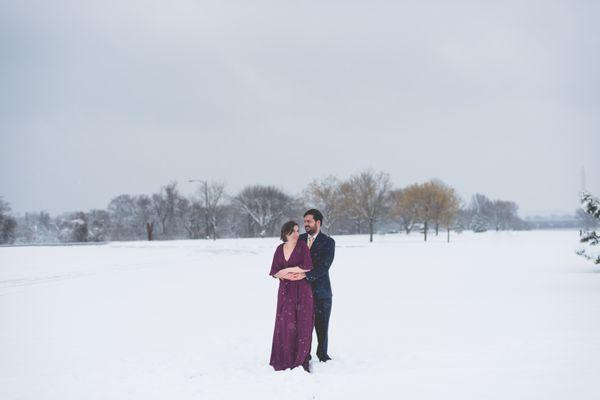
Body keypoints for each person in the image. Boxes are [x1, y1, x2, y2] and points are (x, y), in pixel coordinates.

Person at [286, 209, 335, 362]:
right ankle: (303, 354)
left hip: (321, 292)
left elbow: (324, 266)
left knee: (322, 326)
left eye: (309, 221)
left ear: (318, 222)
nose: (305, 224)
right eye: (304, 221)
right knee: (302, 327)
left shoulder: (328, 242)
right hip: (301, 292)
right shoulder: (298, 240)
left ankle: (322, 355)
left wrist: (305, 275)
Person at [268, 220, 314, 372]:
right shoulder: (279, 249)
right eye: (293, 231)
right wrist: (283, 275)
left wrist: (286, 271)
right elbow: (274, 271)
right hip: (285, 291)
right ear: (285, 233)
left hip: (302, 290)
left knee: (303, 323)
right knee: (285, 324)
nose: (296, 234)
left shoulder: (302, 247)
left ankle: (300, 359)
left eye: (297, 230)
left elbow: (307, 266)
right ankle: (285, 358)